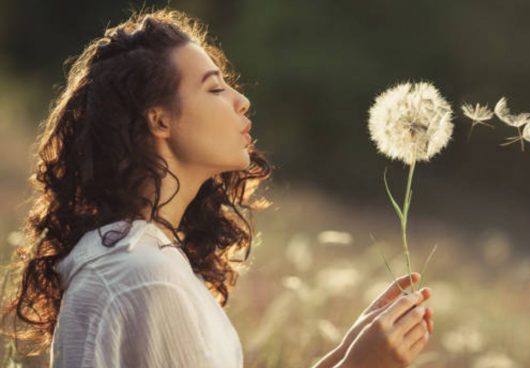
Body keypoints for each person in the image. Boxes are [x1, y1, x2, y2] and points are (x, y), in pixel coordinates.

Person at [0, 7, 433, 367]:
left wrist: (345, 352)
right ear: (160, 120)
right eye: (214, 88)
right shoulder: (145, 278)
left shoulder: (140, 257)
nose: (241, 101)